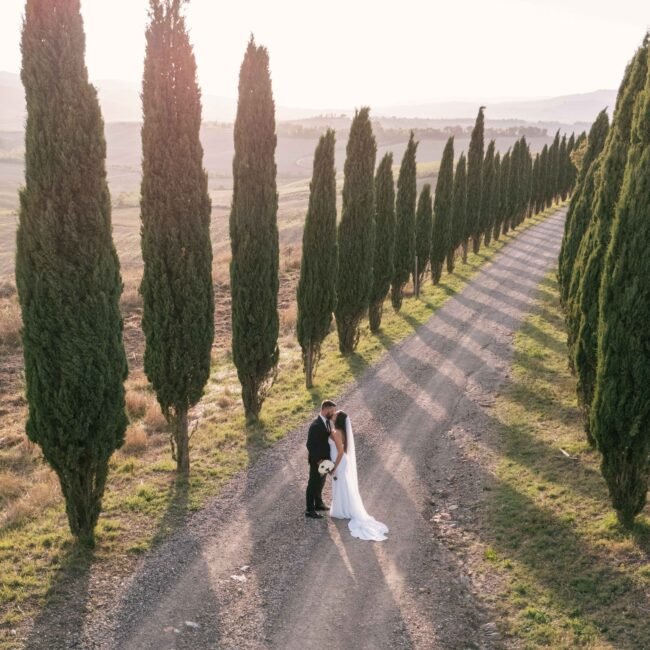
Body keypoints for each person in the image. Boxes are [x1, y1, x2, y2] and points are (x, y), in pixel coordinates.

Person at [328, 410, 388, 541]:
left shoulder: (337, 432)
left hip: (339, 461)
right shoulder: (338, 431)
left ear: (338, 420)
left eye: (335, 415)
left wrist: (334, 467)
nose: (333, 415)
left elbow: (339, 452)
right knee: (341, 484)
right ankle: (343, 507)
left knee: (341, 484)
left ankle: (343, 510)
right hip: (340, 461)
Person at [305, 399, 337, 518]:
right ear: (324, 409)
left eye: (334, 411)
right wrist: (319, 461)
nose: (333, 413)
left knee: (321, 483)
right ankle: (309, 510)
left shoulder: (327, 422)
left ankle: (318, 503)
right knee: (313, 484)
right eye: (331, 410)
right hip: (317, 461)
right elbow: (309, 445)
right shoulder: (315, 425)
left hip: (325, 461)